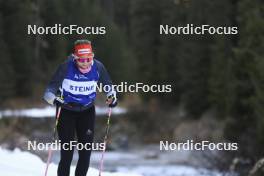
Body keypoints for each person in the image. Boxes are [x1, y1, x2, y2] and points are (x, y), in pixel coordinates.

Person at [43, 39, 117, 176]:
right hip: (66, 112)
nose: (85, 63)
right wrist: (55, 101)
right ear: (75, 58)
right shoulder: (65, 67)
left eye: (88, 59)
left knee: (85, 153)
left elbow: (109, 87)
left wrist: (112, 97)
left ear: (92, 57)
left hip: (87, 112)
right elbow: (48, 93)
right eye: (81, 60)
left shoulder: (98, 67)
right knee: (67, 153)